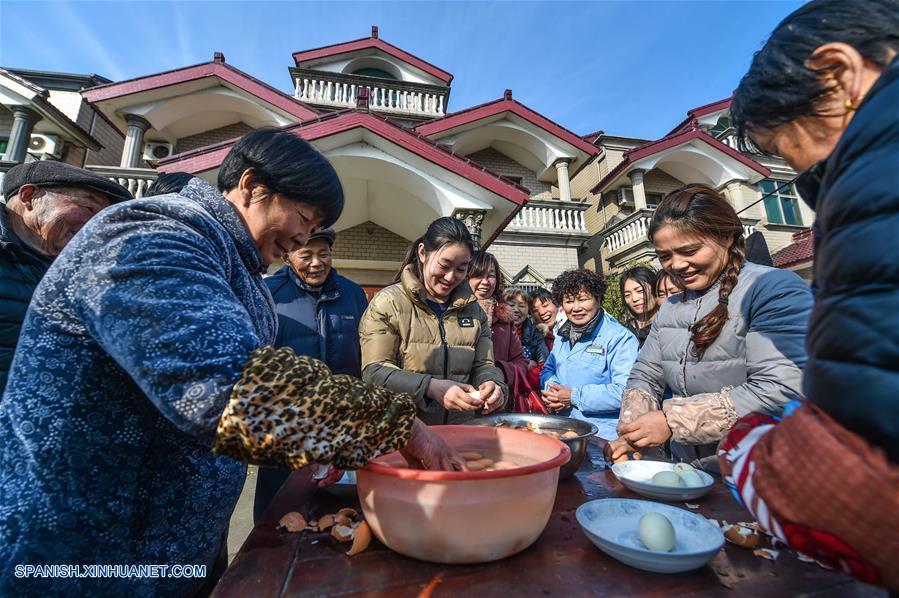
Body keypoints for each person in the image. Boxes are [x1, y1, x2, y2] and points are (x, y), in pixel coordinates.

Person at [0, 129, 461, 597]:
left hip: (172, 548)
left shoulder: (238, 267)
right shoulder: (152, 232)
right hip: (83, 556)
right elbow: (231, 386)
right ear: (252, 185)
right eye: (303, 217)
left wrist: (324, 438)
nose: (304, 237)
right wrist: (399, 426)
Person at [720, 0, 899, 589]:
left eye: (783, 148)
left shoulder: (875, 177)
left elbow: (851, 485)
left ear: (839, 74)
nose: (803, 176)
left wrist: (746, 448)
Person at [607, 186, 813, 471]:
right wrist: (635, 429)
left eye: (690, 250)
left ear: (726, 237)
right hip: (689, 469)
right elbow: (646, 375)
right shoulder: (671, 306)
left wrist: (672, 421)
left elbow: (783, 387)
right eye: (664, 256)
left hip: (762, 473)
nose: (677, 265)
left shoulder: (772, 289)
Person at [253, 227, 369, 523]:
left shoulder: (353, 294)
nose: (316, 262)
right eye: (306, 254)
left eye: (324, 254)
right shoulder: (269, 293)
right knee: (276, 512)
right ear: (289, 256)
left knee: (333, 512)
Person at [0, 161, 132, 393]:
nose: (96, 226)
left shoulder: (89, 272)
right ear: (29, 196)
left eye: (105, 218)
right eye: (89, 209)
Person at [360, 217, 507, 425]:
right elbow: (374, 372)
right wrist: (430, 387)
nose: (450, 277)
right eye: (444, 265)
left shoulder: (475, 312)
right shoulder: (389, 303)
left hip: (462, 431)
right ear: (422, 253)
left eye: (461, 269)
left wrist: (493, 384)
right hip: (405, 434)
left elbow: (484, 364)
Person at [540, 269, 639, 439]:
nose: (576, 308)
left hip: (604, 435)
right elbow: (548, 369)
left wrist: (573, 396)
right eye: (569, 301)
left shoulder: (620, 338)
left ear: (598, 299)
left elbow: (626, 392)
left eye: (583, 299)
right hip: (565, 429)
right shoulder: (563, 335)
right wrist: (553, 389)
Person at [468, 251, 531, 412]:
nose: (485, 282)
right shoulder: (452, 314)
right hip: (460, 402)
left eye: (491, 275)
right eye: (478, 275)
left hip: (496, 405)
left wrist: (501, 372)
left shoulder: (504, 319)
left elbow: (521, 361)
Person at [503, 287, 549, 368]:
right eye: (511, 305)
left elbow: (544, 364)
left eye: (521, 306)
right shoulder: (494, 331)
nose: (516, 310)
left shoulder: (536, 333)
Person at [619, 265, 659, 347]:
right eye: (627, 295)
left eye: (640, 291)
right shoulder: (622, 330)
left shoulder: (669, 325)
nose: (634, 298)